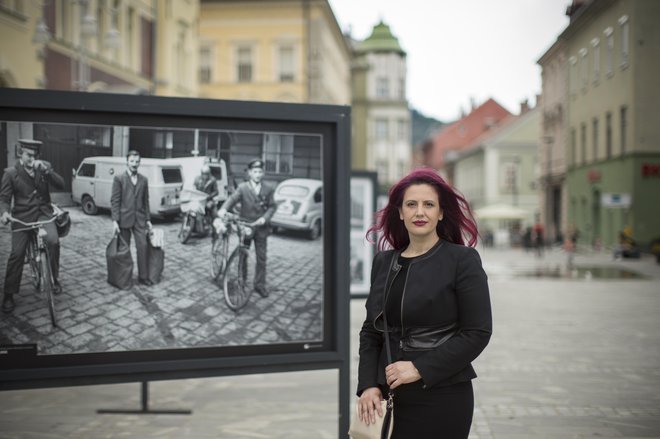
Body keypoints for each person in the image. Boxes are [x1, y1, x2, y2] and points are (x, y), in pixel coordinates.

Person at [356, 168, 492, 438]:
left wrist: (419, 368)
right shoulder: (384, 262)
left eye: (429, 204)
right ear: (400, 212)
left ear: (441, 213)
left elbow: (477, 333)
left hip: (442, 394)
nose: (420, 212)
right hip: (389, 395)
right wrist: (368, 384)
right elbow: (372, 330)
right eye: (411, 204)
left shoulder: (462, 261)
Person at [1, 139, 66, 313]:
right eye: (28, 155)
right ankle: (8, 294)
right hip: (22, 216)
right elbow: (5, 199)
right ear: (20, 153)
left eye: (35, 155)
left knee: (53, 242)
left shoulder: (44, 168)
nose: (32, 159)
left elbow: (61, 184)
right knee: (17, 253)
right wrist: (5, 213)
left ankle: (54, 278)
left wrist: (48, 171)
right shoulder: (11, 173)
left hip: (43, 214)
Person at [217, 158, 276, 297]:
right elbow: (232, 199)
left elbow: (273, 206)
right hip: (246, 226)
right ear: (249, 173)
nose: (258, 174)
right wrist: (223, 209)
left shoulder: (268, 189)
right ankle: (241, 280)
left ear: (263, 173)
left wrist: (264, 218)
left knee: (262, 258)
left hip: (261, 227)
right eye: (255, 171)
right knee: (243, 254)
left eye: (260, 171)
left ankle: (259, 285)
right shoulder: (243, 188)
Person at [111, 150, 153, 286]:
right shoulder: (119, 178)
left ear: (140, 162)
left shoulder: (144, 180)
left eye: (137, 161)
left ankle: (143, 276)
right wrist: (115, 221)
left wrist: (148, 219)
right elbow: (115, 200)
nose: (134, 164)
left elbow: (146, 201)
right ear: (127, 162)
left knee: (143, 246)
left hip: (140, 219)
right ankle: (125, 278)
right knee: (124, 250)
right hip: (124, 219)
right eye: (132, 161)